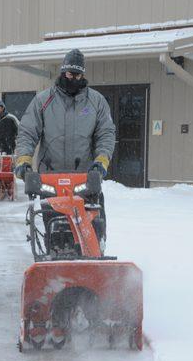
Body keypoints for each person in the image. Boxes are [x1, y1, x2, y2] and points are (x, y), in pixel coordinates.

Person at [14, 48, 116, 248]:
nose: (73, 78)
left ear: (83, 74)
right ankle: (55, 262)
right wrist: (24, 161)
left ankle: (95, 255)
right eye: (70, 74)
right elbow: (27, 132)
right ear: (63, 71)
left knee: (92, 229)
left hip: (84, 178)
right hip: (50, 178)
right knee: (56, 228)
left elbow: (106, 134)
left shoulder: (96, 101)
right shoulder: (43, 100)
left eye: (77, 75)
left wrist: (101, 161)